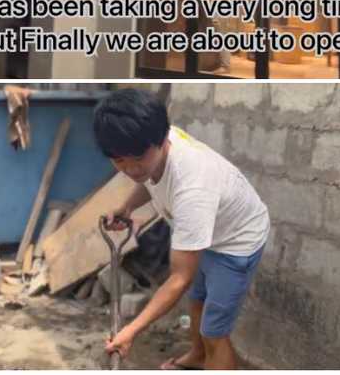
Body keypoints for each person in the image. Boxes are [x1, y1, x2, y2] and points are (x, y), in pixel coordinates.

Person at [93, 88, 270, 369]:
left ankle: (210, 353)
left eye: (137, 157)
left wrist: (131, 331)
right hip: (207, 232)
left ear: (162, 141)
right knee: (197, 301)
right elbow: (149, 179)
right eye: (119, 161)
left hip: (236, 242)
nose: (130, 169)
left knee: (215, 333)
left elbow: (179, 278)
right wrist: (128, 207)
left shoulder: (193, 187)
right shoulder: (152, 140)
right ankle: (199, 356)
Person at [200, 0, 239, 75]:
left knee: (221, 36)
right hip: (216, 6)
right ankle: (218, 63)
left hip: (219, 7)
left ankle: (225, 66)